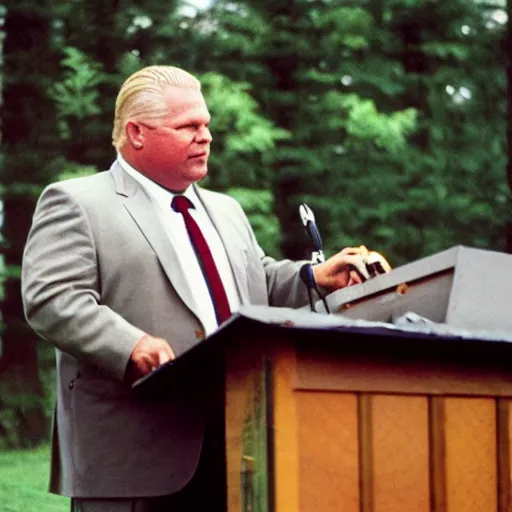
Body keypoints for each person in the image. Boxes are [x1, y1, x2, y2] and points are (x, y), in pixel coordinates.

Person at [21, 65, 374, 511]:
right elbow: (53, 298)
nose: (205, 136)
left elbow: (255, 283)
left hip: (239, 445)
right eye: (188, 126)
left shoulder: (226, 210)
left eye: (206, 125)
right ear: (137, 133)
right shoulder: (77, 202)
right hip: (135, 455)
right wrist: (129, 345)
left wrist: (314, 276)